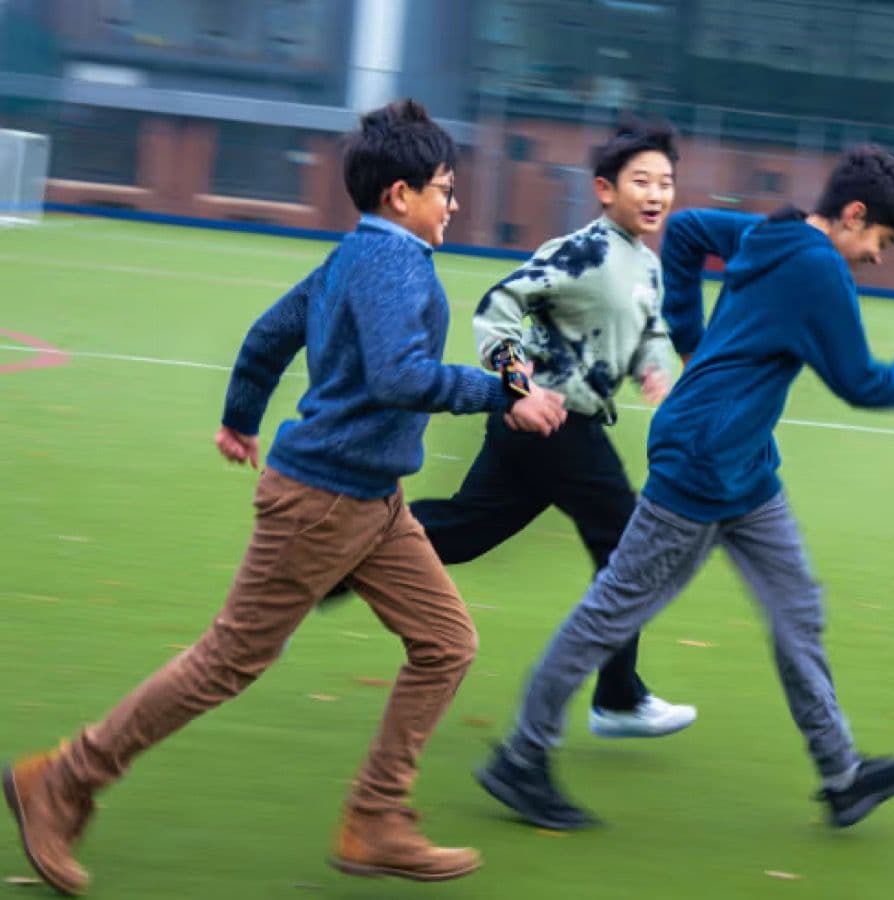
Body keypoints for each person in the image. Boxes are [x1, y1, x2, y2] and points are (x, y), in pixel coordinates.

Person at [1, 98, 566, 895]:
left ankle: (374, 818)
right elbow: (400, 376)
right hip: (324, 500)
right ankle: (62, 779)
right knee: (228, 660)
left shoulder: (351, 258)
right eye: (444, 188)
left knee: (446, 643)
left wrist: (240, 418)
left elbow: (270, 333)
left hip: (372, 502)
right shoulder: (393, 263)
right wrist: (500, 397)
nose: (454, 203)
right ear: (399, 196)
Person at [474, 144, 894, 831]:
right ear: (853, 215)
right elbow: (862, 383)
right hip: (700, 463)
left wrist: (690, 336)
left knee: (798, 610)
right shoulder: (820, 269)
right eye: (882, 241)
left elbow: (689, 233)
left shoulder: (771, 231)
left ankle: (842, 776)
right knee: (613, 612)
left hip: (747, 470)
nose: (878, 257)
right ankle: (521, 759)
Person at [326, 117, 697, 739]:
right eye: (642, 181)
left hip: (547, 427)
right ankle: (619, 697)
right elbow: (497, 311)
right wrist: (520, 391)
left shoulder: (646, 265)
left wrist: (657, 371)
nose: (657, 193)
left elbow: (650, 331)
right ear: (605, 189)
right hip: (552, 420)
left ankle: (339, 557)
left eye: (666, 182)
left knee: (469, 529)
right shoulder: (580, 252)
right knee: (628, 542)